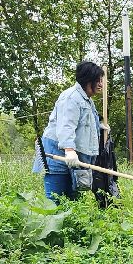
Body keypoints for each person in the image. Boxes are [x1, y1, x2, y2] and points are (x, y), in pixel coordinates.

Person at [36, 60, 113, 203]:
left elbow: (83, 122)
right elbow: (66, 126)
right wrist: (69, 150)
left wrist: (98, 126)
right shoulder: (71, 97)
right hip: (58, 155)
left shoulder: (87, 100)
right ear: (88, 80)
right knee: (56, 200)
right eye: (98, 80)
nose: (101, 84)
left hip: (75, 159)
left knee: (73, 201)